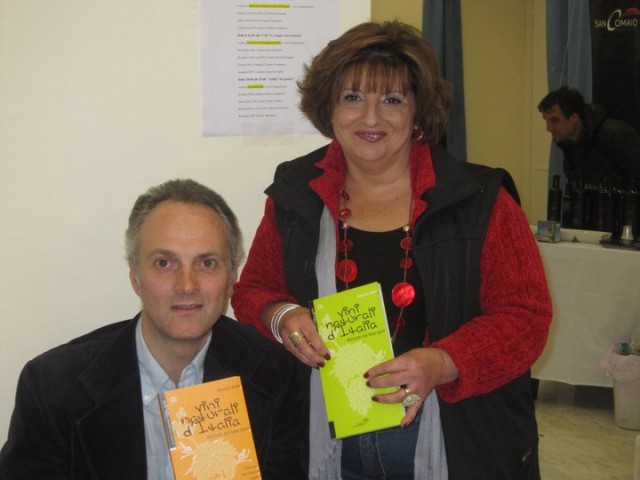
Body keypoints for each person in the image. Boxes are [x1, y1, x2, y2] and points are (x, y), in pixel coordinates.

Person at [231, 20, 552, 480]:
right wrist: (282, 316)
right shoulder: (295, 191)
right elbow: (253, 291)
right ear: (328, 107)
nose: (370, 118)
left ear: (418, 111)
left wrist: (442, 362)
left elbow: (526, 318)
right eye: (352, 97)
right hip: (324, 439)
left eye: (392, 100)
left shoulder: (481, 199)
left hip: (452, 441)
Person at [0, 179, 306, 479]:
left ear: (231, 278)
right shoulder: (53, 388)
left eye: (207, 263)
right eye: (164, 263)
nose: (187, 285)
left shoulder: (273, 373)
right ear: (135, 277)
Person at [538, 85, 640, 180]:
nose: (548, 128)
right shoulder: (568, 143)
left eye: (554, 120)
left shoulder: (616, 134)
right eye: (546, 121)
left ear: (574, 117)